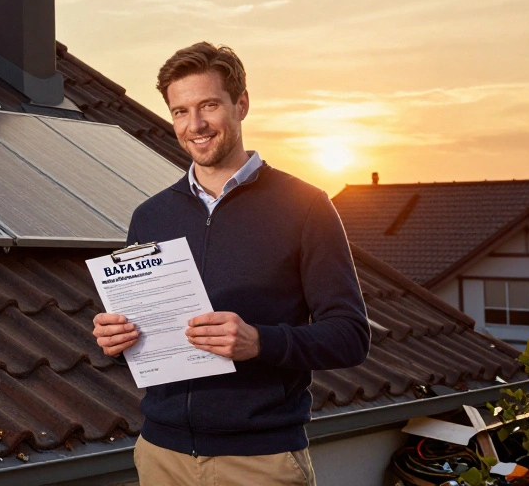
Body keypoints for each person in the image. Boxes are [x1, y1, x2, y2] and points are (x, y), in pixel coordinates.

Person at [92, 42, 369, 486]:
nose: (194, 125)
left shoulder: (305, 206)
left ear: (241, 104)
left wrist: (260, 342)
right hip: (162, 455)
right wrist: (115, 339)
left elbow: (351, 337)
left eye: (208, 106)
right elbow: (143, 345)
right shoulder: (151, 215)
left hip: (261, 460)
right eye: (180, 111)